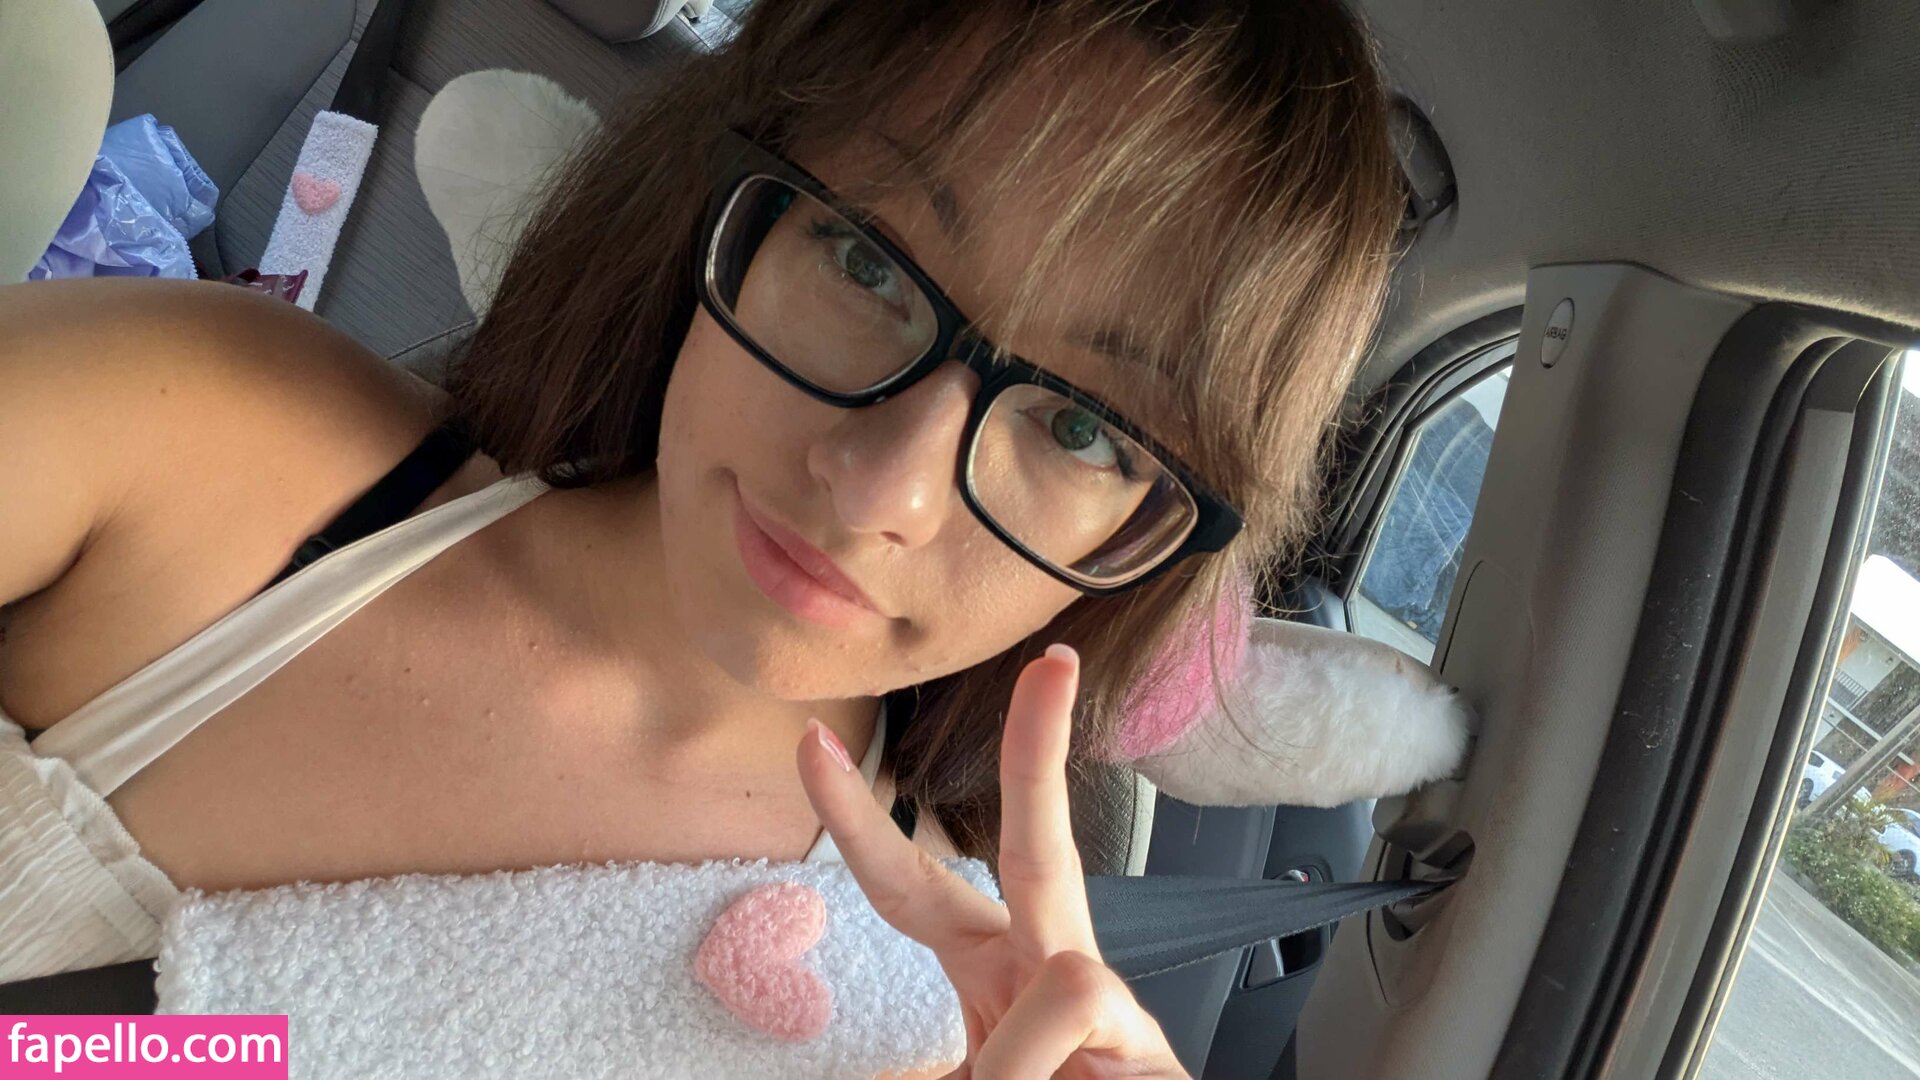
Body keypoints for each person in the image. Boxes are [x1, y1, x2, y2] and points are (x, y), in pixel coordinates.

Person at [0, 0, 1400, 1072]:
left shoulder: (944, 1005)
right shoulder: (195, 430)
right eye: (867, 262)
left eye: (1083, 430)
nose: (881, 489)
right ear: (730, 203)